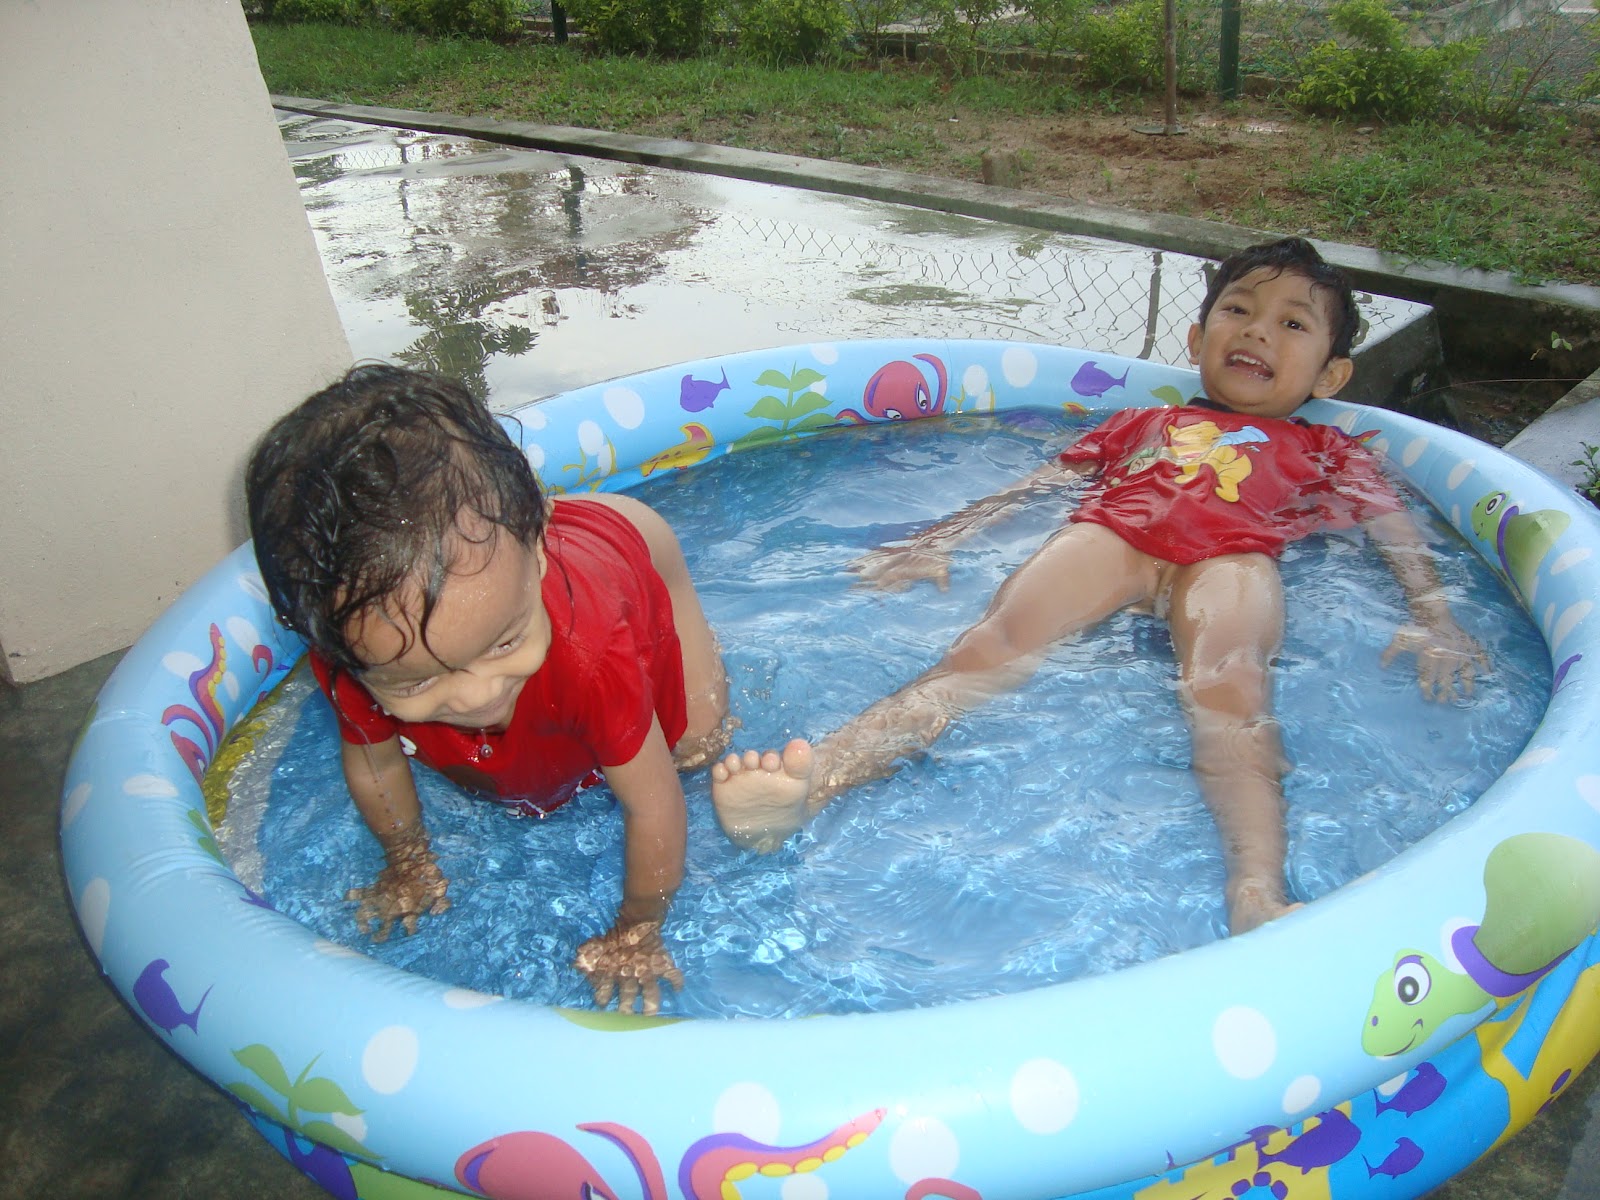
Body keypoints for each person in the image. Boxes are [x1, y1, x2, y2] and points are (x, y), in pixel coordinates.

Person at [710, 237, 1487, 934]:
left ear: (1333, 371)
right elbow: (1038, 483)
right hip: (1113, 533)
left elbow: (1390, 528)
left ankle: (1256, 891)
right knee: (990, 645)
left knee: (1232, 687)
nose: (1256, 330)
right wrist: (938, 539)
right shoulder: (1142, 421)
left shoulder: (1326, 445)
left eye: (1291, 324)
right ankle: (811, 787)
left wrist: (1433, 613)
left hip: (1235, 557)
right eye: (1238, 310)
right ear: (1197, 337)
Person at [246, 364, 731, 1015]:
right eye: (418, 679)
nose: (476, 698)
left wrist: (638, 930)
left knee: (695, 744)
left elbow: (655, 808)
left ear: (536, 552)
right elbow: (374, 762)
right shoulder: (355, 647)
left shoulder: (588, 652)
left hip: (634, 549)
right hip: (527, 570)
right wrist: (408, 860)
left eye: (504, 643)